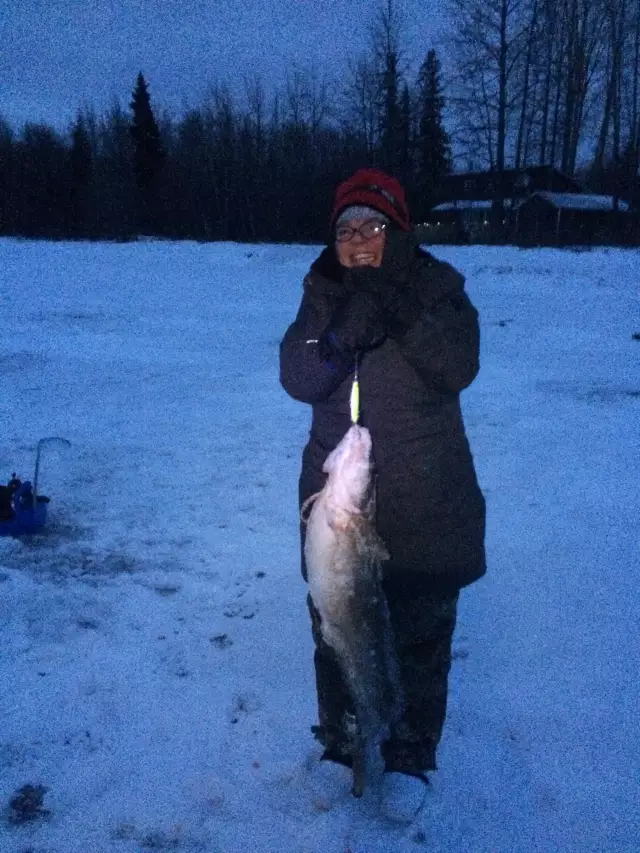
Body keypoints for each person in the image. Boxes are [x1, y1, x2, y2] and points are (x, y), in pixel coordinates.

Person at [279, 167, 486, 821]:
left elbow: (459, 362)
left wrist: (396, 312)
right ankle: (342, 744)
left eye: (372, 225)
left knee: (419, 638)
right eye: (346, 229)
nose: (359, 239)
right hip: (339, 504)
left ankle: (408, 756)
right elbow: (300, 370)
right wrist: (339, 337)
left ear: (397, 230)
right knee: (338, 631)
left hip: (426, 499)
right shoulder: (324, 290)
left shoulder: (437, 287)